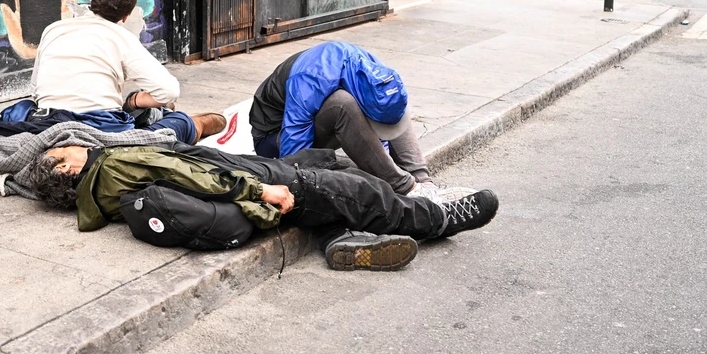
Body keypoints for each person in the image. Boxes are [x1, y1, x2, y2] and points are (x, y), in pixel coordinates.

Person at [30, 140, 500, 272]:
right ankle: (440, 220)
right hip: (250, 185)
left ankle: (342, 240)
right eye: (62, 152)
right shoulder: (110, 166)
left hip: (242, 178)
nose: (70, 145)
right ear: (68, 171)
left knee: (333, 175)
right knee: (358, 191)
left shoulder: (102, 196)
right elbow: (188, 173)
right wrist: (259, 190)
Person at [248, 41, 473, 201]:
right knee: (342, 103)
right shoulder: (311, 80)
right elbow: (293, 156)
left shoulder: (373, 70)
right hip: (274, 139)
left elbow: (379, 140)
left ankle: (423, 183)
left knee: (393, 96)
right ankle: (408, 187)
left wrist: (383, 168)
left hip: (317, 122)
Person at [30, 0, 226, 145]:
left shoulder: (53, 29)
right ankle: (193, 125)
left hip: (48, 122)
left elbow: (35, 89)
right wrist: (135, 100)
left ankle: (146, 110)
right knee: (168, 127)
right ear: (126, 16)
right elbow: (169, 91)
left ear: (92, 0)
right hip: (100, 128)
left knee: (137, 108)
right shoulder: (121, 37)